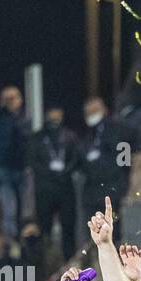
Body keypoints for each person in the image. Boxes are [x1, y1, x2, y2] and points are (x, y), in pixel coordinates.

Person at [28, 107, 81, 258]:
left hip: (65, 188)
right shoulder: (38, 138)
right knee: (44, 228)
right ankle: (45, 260)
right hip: (45, 189)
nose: (55, 121)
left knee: (68, 226)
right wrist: (50, 174)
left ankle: (69, 259)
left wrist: (65, 172)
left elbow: (76, 158)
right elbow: (33, 161)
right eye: (52, 118)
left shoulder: (69, 136)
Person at [0, 70, 28, 239]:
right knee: (9, 211)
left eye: (13, 97)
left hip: (23, 168)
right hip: (4, 168)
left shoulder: (26, 118)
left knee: (25, 211)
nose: (11, 101)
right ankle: (11, 242)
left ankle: (24, 241)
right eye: (7, 98)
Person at [80, 99, 134, 241]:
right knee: (94, 227)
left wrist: (123, 176)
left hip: (113, 186)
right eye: (88, 113)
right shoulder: (87, 134)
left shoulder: (116, 128)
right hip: (93, 189)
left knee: (113, 227)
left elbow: (126, 151)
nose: (91, 116)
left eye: (94, 112)